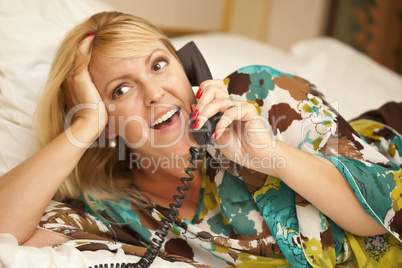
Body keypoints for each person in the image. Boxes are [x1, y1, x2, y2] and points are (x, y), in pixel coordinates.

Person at [0, 11, 401, 267]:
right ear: (107, 123)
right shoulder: (115, 210)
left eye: (159, 65)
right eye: (121, 90)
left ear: (188, 69)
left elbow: (383, 214)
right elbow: (5, 236)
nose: (155, 93)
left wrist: (268, 156)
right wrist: (83, 124)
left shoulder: (259, 92)